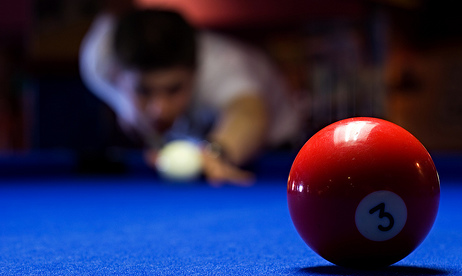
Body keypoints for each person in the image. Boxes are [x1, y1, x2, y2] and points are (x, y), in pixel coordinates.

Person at [79, 8, 303, 185]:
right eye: (143, 90)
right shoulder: (96, 63)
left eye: (174, 89)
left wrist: (217, 153)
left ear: (195, 73)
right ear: (116, 76)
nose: (160, 108)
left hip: (274, 146)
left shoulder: (222, 66)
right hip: (194, 134)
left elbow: (249, 113)